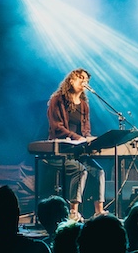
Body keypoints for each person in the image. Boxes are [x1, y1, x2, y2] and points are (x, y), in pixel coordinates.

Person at [44, 68, 105, 217]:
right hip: (61, 150)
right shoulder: (57, 100)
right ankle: (74, 212)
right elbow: (57, 127)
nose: (84, 82)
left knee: (98, 172)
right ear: (71, 80)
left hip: (78, 151)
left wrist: (89, 139)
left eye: (86, 79)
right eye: (80, 78)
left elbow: (86, 129)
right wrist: (77, 138)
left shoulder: (84, 104)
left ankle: (99, 212)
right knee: (80, 170)